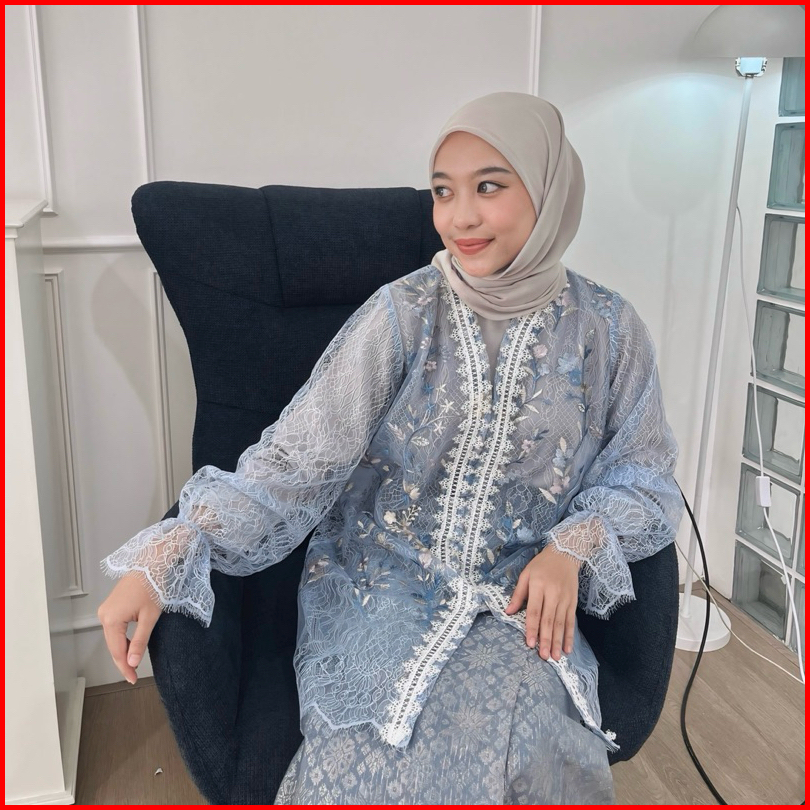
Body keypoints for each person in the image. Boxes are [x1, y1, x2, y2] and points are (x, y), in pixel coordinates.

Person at [97, 92, 683, 805]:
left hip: (517, 600)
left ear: (549, 187)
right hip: (378, 587)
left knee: (526, 740)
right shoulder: (402, 314)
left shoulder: (610, 331)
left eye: (488, 187)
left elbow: (643, 474)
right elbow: (295, 462)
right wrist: (174, 548)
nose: (459, 217)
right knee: (370, 754)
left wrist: (573, 547)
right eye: (443, 192)